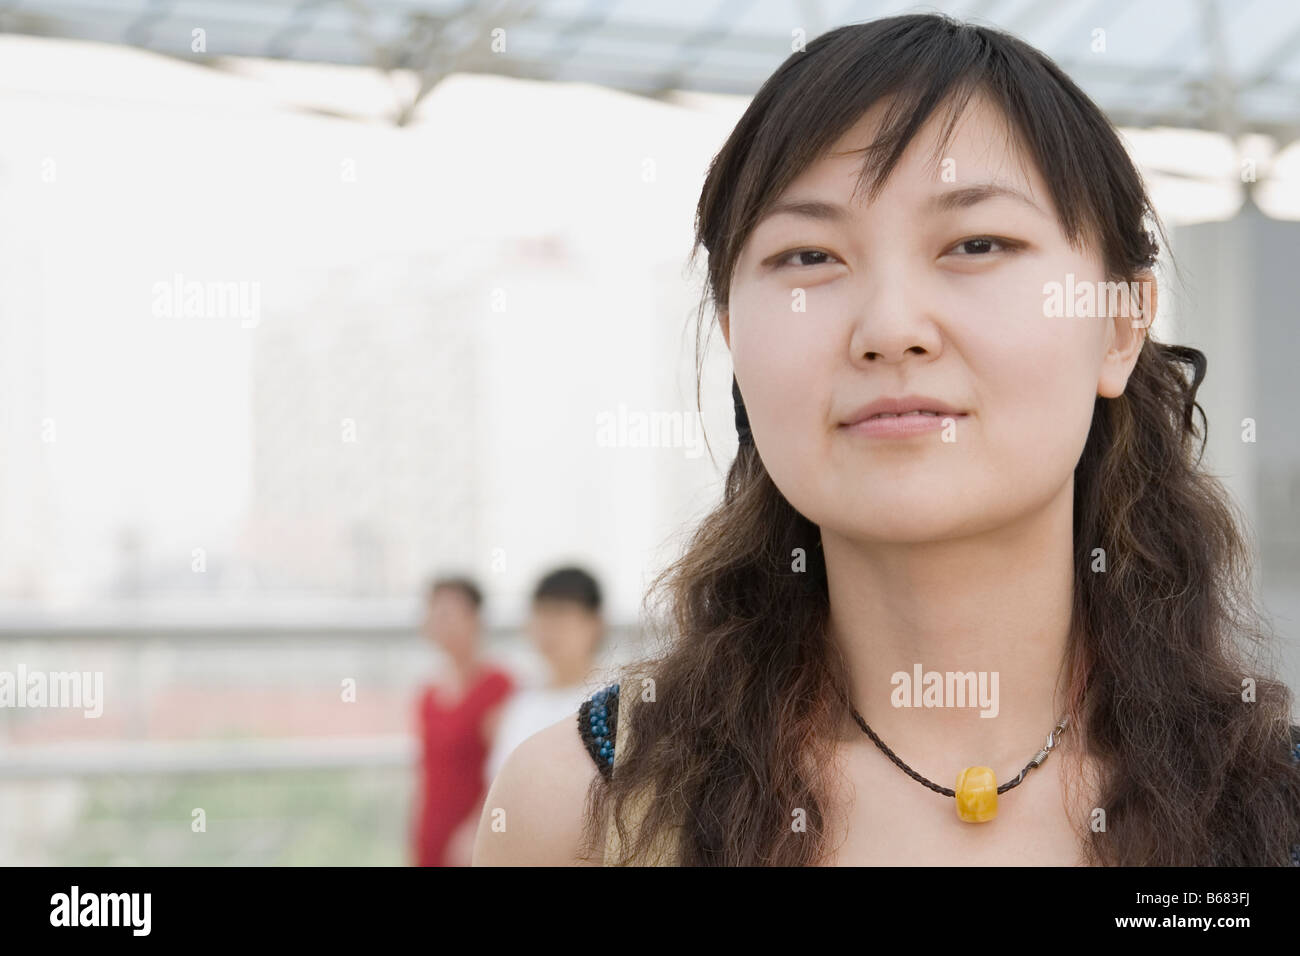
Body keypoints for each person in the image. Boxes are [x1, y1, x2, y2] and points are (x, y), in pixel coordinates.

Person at [473, 14, 1300, 867]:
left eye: (979, 243)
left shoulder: (1272, 815)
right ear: (733, 335)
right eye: (809, 257)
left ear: (1121, 326)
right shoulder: (587, 811)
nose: (891, 328)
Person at [412, 576, 512, 867]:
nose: (438, 622)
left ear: (475, 619)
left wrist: (475, 828)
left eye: (447, 613)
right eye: (433, 613)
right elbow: (425, 773)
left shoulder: (499, 687)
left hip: (475, 836)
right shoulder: (428, 694)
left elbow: (504, 770)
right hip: (432, 833)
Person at [481, 566, 606, 789]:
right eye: (541, 614)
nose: (548, 629)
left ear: (594, 623)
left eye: (560, 614)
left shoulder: (614, 699)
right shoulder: (521, 703)